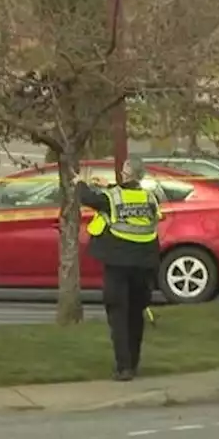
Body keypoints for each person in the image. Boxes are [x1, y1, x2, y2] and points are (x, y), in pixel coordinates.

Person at [74, 160, 163, 381]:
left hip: (118, 264)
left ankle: (124, 368)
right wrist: (109, 186)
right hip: (144, 264)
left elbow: (89, 199)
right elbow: (127, 198)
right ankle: (133, 362)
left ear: (125, 175)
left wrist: (80, 183)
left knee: (118, 315)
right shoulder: (151, 198)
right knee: (136, 315)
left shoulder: (111, 198)